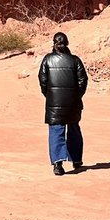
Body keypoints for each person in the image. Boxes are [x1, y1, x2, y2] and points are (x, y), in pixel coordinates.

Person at [38, 31, 88, 175]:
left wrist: (49, 95)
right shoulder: (75, 60)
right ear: (67, 44)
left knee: (56, 131)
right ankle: (77, 160)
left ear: (54, 43)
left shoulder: (47, 60)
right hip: (73, 102)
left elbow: (42, 81)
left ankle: (58, 165)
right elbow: (82, 81)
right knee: (74, 129)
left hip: (54, 103)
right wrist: (77, 96)